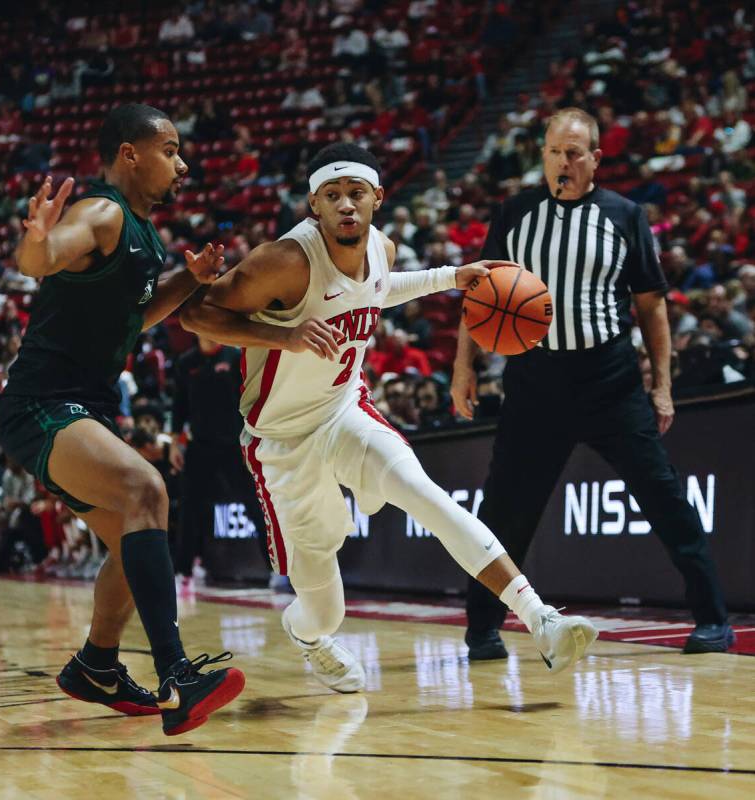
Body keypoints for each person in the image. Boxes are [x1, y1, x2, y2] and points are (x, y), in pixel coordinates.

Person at [181, 142, 597, 693]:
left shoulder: (383, 248)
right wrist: (285, 336)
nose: (345, 204)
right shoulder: (285, 261)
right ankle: (309, 637)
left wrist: (452, 276)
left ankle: (541, 618)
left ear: (377, 197)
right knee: (324, 609)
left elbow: (379, 290)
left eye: (355, 192)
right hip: (281, 440)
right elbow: (197, 317)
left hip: (344, 412)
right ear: (314, 205)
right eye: (332, 195)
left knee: (427, 496)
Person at [0, 103, 245, 736]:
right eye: (171, 150)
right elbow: (40, 260)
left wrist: (187, 282)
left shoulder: (145, 234)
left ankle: (97, 666)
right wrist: (38, 240)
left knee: (135, 544)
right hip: (42, 403)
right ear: (130, 154)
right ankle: (177, 676)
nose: (182, 165)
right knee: (146, 490)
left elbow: (134, 319)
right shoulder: (102, 213)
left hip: (82, 407)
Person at [451, 107, 733, 661]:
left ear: (595, 158)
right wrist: (464, 369)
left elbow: (651, 307)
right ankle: (482, 629)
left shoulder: (625, 215)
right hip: (535, 381)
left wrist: (662, 385)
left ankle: (712, 618)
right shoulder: (514, 214)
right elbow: (480, 296)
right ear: (543, 155)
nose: (564, 162)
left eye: (574, 153)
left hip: (610, 379)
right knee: (505, 509)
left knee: (664, 497)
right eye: (555, 152)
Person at [171, 334, 265, 586]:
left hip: (234, 445)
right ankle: (184, 571)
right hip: (200, 446)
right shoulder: (186, 362)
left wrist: (252, 440)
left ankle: (277, 569)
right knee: (189, 508)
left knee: (256, 504)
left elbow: (250, 402)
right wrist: (175, 443)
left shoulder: (234, 357)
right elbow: (179, 405)